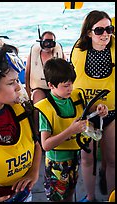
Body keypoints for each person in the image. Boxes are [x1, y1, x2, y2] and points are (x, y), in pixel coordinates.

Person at [34, 58, 108, 202]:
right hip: (57, 164)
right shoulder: (46, 109)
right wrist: (71, 130)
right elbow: (46, 145)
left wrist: (99, 109)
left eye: (71, 84)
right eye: (66, 86)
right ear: (51, 85)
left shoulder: (74, 97)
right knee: (57, 198)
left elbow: (90, 109)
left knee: (70, 193)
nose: (70, 89)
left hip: (74, 160)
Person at [0, 47, 42, 202]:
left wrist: (33, 173)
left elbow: (36, 144)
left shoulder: (21, 110)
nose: (18, 87)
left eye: (17, 80)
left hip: (23, 194)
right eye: (11, 83)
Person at [70, 10, 115, 201]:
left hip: (111, 112)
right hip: (86, 113)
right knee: (87, 159)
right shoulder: (79, 50)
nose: (105, 34)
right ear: (89, 32)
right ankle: (90, 197)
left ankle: (112, 197)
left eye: (109, 29)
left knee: (112, 159)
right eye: (99, 30)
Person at [25, 30, 66, 104]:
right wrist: (28, 93)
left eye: (51, 43)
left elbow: (66, 73)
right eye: (46, 42)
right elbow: (27, 74)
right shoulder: (33, 55)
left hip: (55, 87)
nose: (48, 45)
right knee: (38, 102)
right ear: (41, 42)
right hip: (39, 88)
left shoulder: (60, 54)